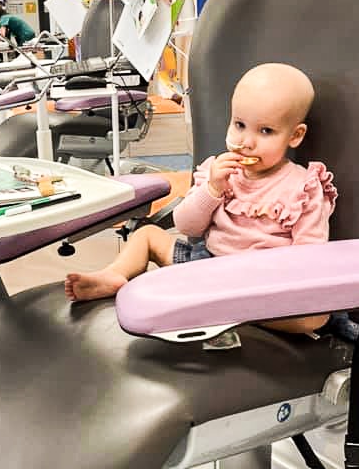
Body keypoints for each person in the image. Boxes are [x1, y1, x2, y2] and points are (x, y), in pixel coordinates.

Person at [65, 63, 339, 335]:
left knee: (315, 318)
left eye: (265, 131)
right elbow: (187, 226)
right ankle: (114, 274)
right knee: (147, 234)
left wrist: (273, 285)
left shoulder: (304, 187)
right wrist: (213, 188)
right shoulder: (216, 172)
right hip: (206, 265)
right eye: (239, 125)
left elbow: (309, 258)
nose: (246, 141)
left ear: (295, 135)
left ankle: (228, 309)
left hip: (264, 284)